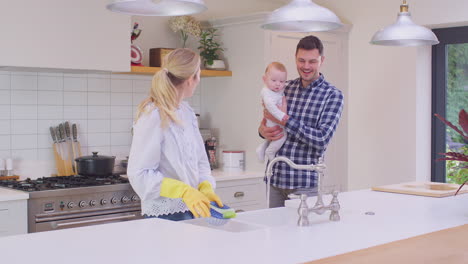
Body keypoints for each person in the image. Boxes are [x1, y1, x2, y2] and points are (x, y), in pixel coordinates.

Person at [127, 48, 223, 221]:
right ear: (190, 79)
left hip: (193, 209)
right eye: (198, 74)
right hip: (165, 214)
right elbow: (138, 173)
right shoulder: (153, 114)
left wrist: (206, 187)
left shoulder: (187, 112)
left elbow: (200, 161)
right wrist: (182, 190)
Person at [258, 35, 344, 208]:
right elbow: (267, 121)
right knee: (274, 234)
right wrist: (262, 131)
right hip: (275, 178)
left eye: (312, 61)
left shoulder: (332, 95)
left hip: (304, 185)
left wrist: (286, 120)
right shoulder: (284, 87)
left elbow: (321, 140)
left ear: (322, 60)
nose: (306, 66)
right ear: (295, 58)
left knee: (305, 234)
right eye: (301, 60)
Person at [256, 62, 288, 162]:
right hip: (274, 121)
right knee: (282, 136)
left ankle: (261, 148)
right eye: (274, 80)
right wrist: (282, 116)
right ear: (264, 79)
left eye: (282, 81)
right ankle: (270, 151)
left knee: (272, 138)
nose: (278, 84)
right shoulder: (266, 92)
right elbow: (269, 106)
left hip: (274, 121)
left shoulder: (279, 89)